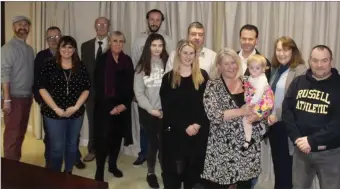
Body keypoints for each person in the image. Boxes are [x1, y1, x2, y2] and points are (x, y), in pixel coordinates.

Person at [201, 48, 268, 189]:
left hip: (247, 146)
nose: (231, 67)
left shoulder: (248, 82)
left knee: (245, 184)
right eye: (226, 64)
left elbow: (265, 103)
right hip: (222, 146)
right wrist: (241, 111)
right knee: (218, 184)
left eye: (233, 63)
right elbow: (213, 115)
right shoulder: (213, 85)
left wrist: (258, 115)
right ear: (218, 66)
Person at [282, 45, 340, 189]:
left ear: (331, 61)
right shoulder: (298, 82)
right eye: (315, 60)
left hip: (330, 153)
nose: (319, 65)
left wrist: (312, 141)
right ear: (309, 60)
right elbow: (287, 111)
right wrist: (297, 139)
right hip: (301, 151)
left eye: (324, 60)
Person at [34, 26, 85, 169]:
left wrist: (75, 107)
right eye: (50, 37)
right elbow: (39, 84)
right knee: (54, 144)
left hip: (75, 112)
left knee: (71, 142)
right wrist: (45, 104)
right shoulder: (44, 60)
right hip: (51, 110)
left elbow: (85, 87)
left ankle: (69, 170)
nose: (53, 40)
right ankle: (51, 168)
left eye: (56, 37)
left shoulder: (78, 63)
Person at [160, 40, 209, 189]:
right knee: (173, 175)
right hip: (174, 133)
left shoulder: (202, 76)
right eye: (185, 53)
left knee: (193, 176)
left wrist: (197, 124)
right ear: (178, 54)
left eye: (191, 53)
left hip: (197, 132)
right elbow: (167, 108)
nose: (188, 56)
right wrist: (184, 126)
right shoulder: (168, 78)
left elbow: (207, 104)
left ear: (196, 55)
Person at [132, 9, 174, 166]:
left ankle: (162, 162)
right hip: (146, 95)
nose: (154, 22)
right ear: (147, 20)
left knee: (163, 138)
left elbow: (170, 66)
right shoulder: (138, 40)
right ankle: (144, 154)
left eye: (158, 19)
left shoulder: (168, 40)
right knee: (146, 132)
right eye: (152, 19)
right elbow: (136, 61)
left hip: (162, 105)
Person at [267, 36, 307, 189]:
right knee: (279, 166)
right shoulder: (276, 69)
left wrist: (277, 114)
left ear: (293, 51)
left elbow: (296, 101)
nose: (281, 53)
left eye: (285, 50)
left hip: (288, 126)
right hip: (274, 125)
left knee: (288, 168)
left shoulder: (300, 70)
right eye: (278, 50)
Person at [94, 31, 134, 181]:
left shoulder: (127, 60)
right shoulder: (102, 60)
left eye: (121, 41)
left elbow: (132, 86)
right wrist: (110, 107)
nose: (118, 44)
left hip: (122, 108)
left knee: (117, 139)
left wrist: (124, 104)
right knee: (103, 140)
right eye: (115, 41)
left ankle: (112, 165)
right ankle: (99, 171)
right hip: (105, 108)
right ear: (109, 42)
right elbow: (98, 86)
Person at [134, 33, 169, 188]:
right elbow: (139, 93)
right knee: (152, 144)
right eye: (154, 45)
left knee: (164, 144)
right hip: (149, 113)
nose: (157, 49)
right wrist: (151, 109)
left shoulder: (168, 64)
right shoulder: (141, 67)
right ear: (148, 47)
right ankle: (150, 173)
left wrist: (165, 110)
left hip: (165, 113)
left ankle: (165, 172)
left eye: (160, 45)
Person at [1, 16, 35, 161]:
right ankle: (8, 170)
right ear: (13, 27)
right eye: (19, 24)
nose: (23, 27)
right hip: (13, 98)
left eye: (26, 25)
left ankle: (16, 164)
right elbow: (4, 73)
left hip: (26, 97)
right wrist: (7, 99)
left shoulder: (29, 49)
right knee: (12, 135)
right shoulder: (8, 48)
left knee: (21, 133)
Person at [81, 16, 110, 162]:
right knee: (92, 122)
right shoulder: (85, 46)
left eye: (104, 24)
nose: (102, 26)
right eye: (99, 24)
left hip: (108, 94)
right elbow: (83, 70)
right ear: (95, 26)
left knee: (108, 123)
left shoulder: (113, 44)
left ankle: (108, 151)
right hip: (90, 93)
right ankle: (92, 150)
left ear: (108, 27)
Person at [242, 54, 274, 150]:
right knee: (249, 118)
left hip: (262, 103)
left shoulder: (261, 79)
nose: (254, 70)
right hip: (259, 102)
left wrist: (251, 103)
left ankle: (248, 139)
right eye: (251, 68)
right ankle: (263, 131)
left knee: (247, 119)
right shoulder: (251, 77)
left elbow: (259, 93)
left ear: (263, 69)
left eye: (257, 68)